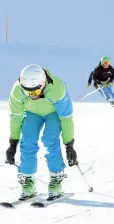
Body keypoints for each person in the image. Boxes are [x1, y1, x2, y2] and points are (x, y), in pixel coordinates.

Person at [5, 64, 78, 201]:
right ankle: (28, 183)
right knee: (27, 140)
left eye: (35, 92)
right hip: (32, 113)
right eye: (28, 92)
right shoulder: (17, 91)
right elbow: (16, 116)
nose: (32, 96)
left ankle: (56, 180)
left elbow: (66, 117)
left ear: (43, 84)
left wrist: (69, 145)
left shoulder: (57, 88)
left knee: (50, 140)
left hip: (53, 114)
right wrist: (13, 142)